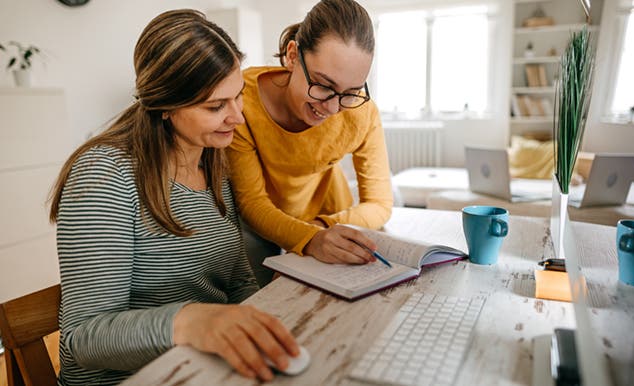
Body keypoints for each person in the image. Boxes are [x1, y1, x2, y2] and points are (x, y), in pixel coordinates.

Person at [48, 9, 298, 385]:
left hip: (203, 370)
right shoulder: (104, 175)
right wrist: (190, 320)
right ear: (165, 106)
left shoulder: (213, 160)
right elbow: (85, 336)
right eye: (215, 107)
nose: (238, 118)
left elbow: (237, 281)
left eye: (238, 97)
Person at [226, 0, 393, 274]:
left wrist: (321, 229)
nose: (332, 108)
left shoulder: (361, 112)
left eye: (350, 91)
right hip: (265, 223)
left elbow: (380, 204)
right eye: (323, 85)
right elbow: (252, 203)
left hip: (331, 217)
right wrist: (310, 238)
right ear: (292, 56)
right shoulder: (242, 101)